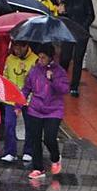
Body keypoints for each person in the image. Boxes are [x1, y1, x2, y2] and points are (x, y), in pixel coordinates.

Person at [24, 45, 69, 180]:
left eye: (44, 57)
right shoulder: (34, 70)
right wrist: (19, 102)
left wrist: (53, 80)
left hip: (54, 110)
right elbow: (27, 87)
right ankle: (38, 168)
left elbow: (64, 89)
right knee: (35, 139)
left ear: (50, 58)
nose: (41, 60)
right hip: (35, 109)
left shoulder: (59, 71)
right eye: (40, 57)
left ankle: (55, 157)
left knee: (49, 138)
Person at [0, 40, 36, 163]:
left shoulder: (35, 60)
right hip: (11, 98)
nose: (17, 50)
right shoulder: (9, 59)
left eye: (20, 47)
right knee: (9, 124)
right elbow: (5, 75)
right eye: (15, 47)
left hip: (29, 99)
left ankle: (29, 151)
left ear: (26, 46)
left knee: (30, 126)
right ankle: (10, 151)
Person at [62, 0, 95, 96]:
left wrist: (82, 27)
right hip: (68, 31)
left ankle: (74, 86)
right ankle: (62, 81)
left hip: (81, 32)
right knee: (65, 57)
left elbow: (91, 15)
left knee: (78, 59)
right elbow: (63, 14)